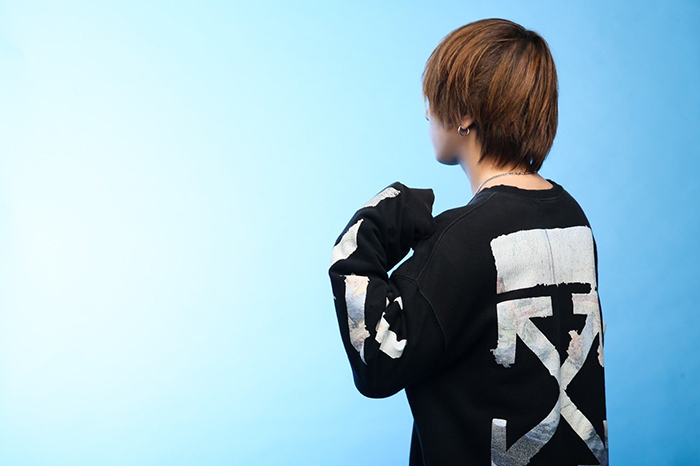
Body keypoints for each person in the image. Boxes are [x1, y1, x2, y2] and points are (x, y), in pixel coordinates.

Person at [327, 18, 608, 466]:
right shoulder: (574, 219)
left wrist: (372, 228)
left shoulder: (462, 240)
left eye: (434, 98)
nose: (426, 113)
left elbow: (377, 360)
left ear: (464, 116)